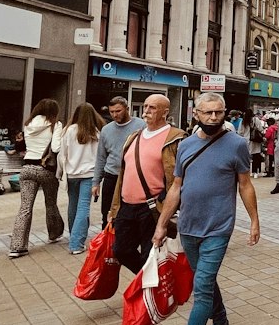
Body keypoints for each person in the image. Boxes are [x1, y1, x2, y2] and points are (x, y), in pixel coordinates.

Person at [154, 93, 260, 325]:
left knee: (201, 288)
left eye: (218, 112)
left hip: (218, 227)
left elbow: (245, 185)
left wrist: (254, 221)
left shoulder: (236, 145)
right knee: (206, 278)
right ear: (196, 114)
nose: (214, 117)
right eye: (208, 113)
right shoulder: (185, 145)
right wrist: (162, 224)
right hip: (188, 226)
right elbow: (176, 187)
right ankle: (221, 322)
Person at [108, 95, 186, 274]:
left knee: (149, 254)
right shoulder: (134, 136)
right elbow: (122, 174)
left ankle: (149, 293)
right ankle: (149, 283)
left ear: (165, 112)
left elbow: (180, 178)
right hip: (126, 206)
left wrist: (171, 207)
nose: (147, 111)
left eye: (153, 107)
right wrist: (114, 209)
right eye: (145, 106)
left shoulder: (175, 138)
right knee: (121, 250)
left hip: (152, 207)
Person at [8, 99, 64, 257]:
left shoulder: (28, 124)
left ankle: (17, 246)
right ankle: (54, 233)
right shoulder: (55, 124)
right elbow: (55, 148)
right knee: (50, 203)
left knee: (25, 208)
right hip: (45, 168)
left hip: (26, 168)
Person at [92, 97, 145, 229]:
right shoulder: (106, 130)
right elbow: (101, 157)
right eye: (112, 112)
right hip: (111, 176)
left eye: (118, 111)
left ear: (127, 109)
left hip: (132, 177)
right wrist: (96, 182)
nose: (115, 115)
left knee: (129, 213)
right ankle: (108, 244)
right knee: (107, 213)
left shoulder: (141, 126)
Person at [59, 103, 104, 254]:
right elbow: (100, 157)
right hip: (89, 174)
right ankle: (76, 244)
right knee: (83, 207)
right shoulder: (96, 133)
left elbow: (62, 154)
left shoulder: (68, 130)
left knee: (73, 205)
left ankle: (74, 237)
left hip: (72, 174)